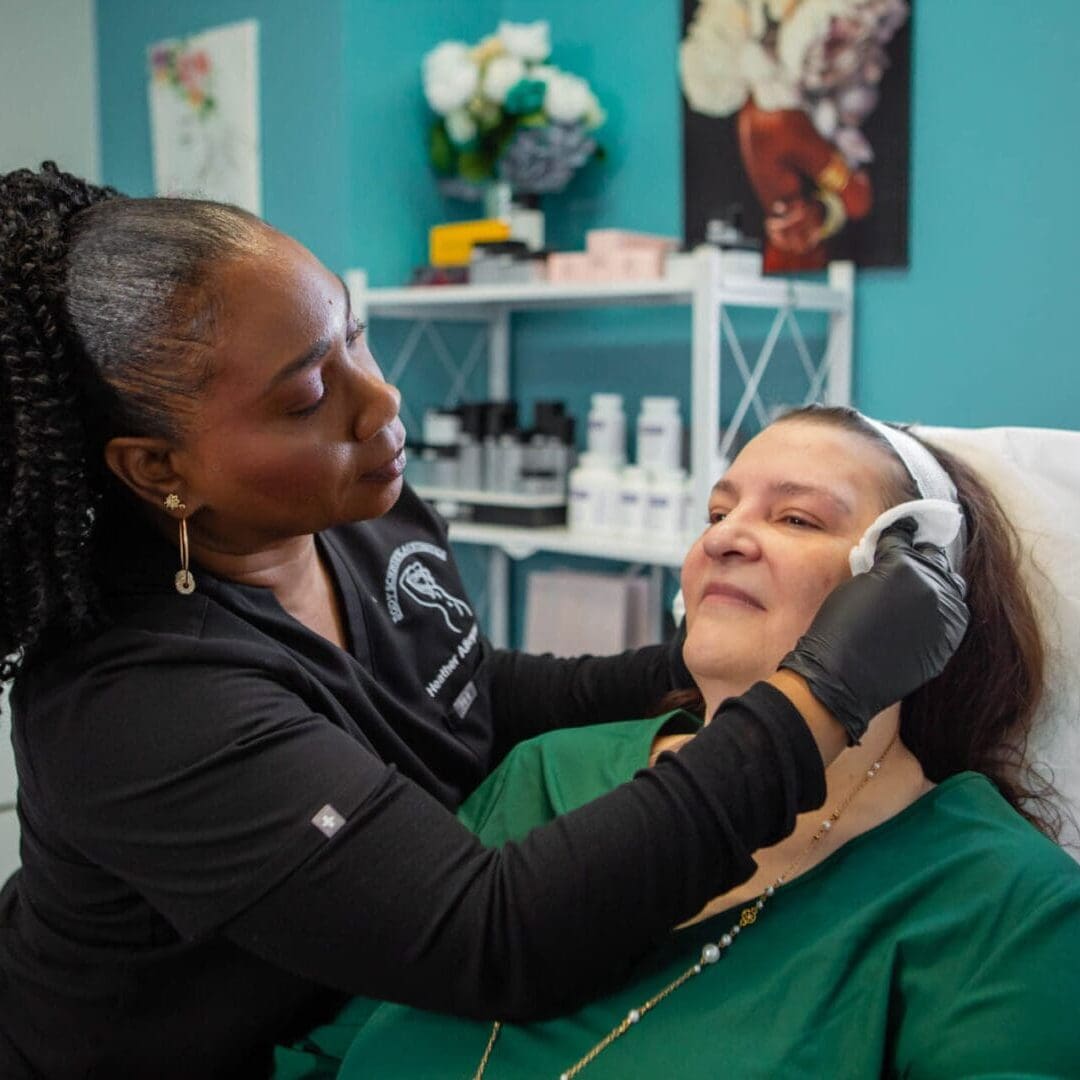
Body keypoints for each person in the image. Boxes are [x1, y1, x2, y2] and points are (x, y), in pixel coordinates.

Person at [0, 164, 966, 1079]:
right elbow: (494, 937)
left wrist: (701, 660)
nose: (381, 403)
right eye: (305, 396)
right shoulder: (134, 705)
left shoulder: (361, 515)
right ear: (158, 470)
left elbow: (456, 685)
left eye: (357, 335)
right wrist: (819, 693)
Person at [333, 407, 1080, 1079]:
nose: (723, 538)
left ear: (915, 595)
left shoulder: (1004, 906)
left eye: (795, 520)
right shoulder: (547, 774)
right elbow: (338, 1041)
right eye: (716, 511)